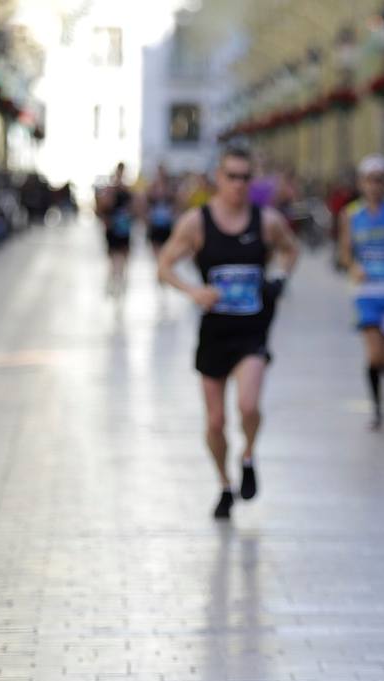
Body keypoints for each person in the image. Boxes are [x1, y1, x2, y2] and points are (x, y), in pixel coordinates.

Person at [158, 145, 300, 519]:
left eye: (245, 177)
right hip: (214, 333)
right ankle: (224, 482)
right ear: (218, 179)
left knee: (249, 405)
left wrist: (280, 278)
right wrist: (193, 291)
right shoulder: (197, 222)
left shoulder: (265, 220)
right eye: (231, 176)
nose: (238, 184)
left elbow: (290, 250)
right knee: (216, 422)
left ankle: (249, 454)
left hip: (252, 330)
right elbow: (165, 265)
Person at [339, 155, 384, 430]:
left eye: (380, 180)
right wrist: (353, 266)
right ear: (361, 183)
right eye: (369, 180)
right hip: (366, 292)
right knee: (373, 357)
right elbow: (344, 253)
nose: (374, 186)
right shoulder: (350, 214)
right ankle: (377, 410)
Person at [97, 162, 136, 295]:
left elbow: (134, 208)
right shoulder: (111, 190)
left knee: (122, 256)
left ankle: (119, 278)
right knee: (114, 256)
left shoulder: (127, 190)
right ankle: (114, 279)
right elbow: (102, 207)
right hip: (114, 228)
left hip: (123, 228)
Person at [144, 164, 178, 255]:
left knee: (165, 251)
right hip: (155, 225)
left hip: (166, 225)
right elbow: (146, 205)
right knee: (156, 251)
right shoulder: (151, 188)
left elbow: (176, 204)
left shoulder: (170, 188)